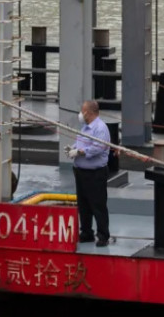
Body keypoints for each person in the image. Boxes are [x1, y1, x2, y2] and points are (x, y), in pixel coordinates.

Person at [69, 99, 112, 247]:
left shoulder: (100, 128)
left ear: (89, 112)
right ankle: (86, 232)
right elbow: (80, 142)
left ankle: (103, 235)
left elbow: (97, 147)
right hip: (81, 172)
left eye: (82, 111)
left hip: (95, 173)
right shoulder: (85, 127)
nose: (81, 114)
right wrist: (72, 148)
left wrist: (80, 152)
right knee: (83, 204)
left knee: (98, 204)